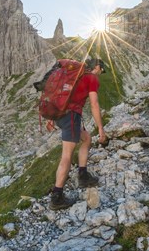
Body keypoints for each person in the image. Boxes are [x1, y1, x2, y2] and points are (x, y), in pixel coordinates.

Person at [49, 58, 109, 210]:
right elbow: (94, 104)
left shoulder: (74, 75)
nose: (101, 73)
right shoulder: (91, 78)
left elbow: (56, 93)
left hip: (60, 115)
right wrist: (101, 128)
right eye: (101, 70)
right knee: (67, 156)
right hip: (70, 117)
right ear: (96, 67)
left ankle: (83, 175)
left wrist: (51, 118)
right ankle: (57, 197)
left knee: (86, 138)